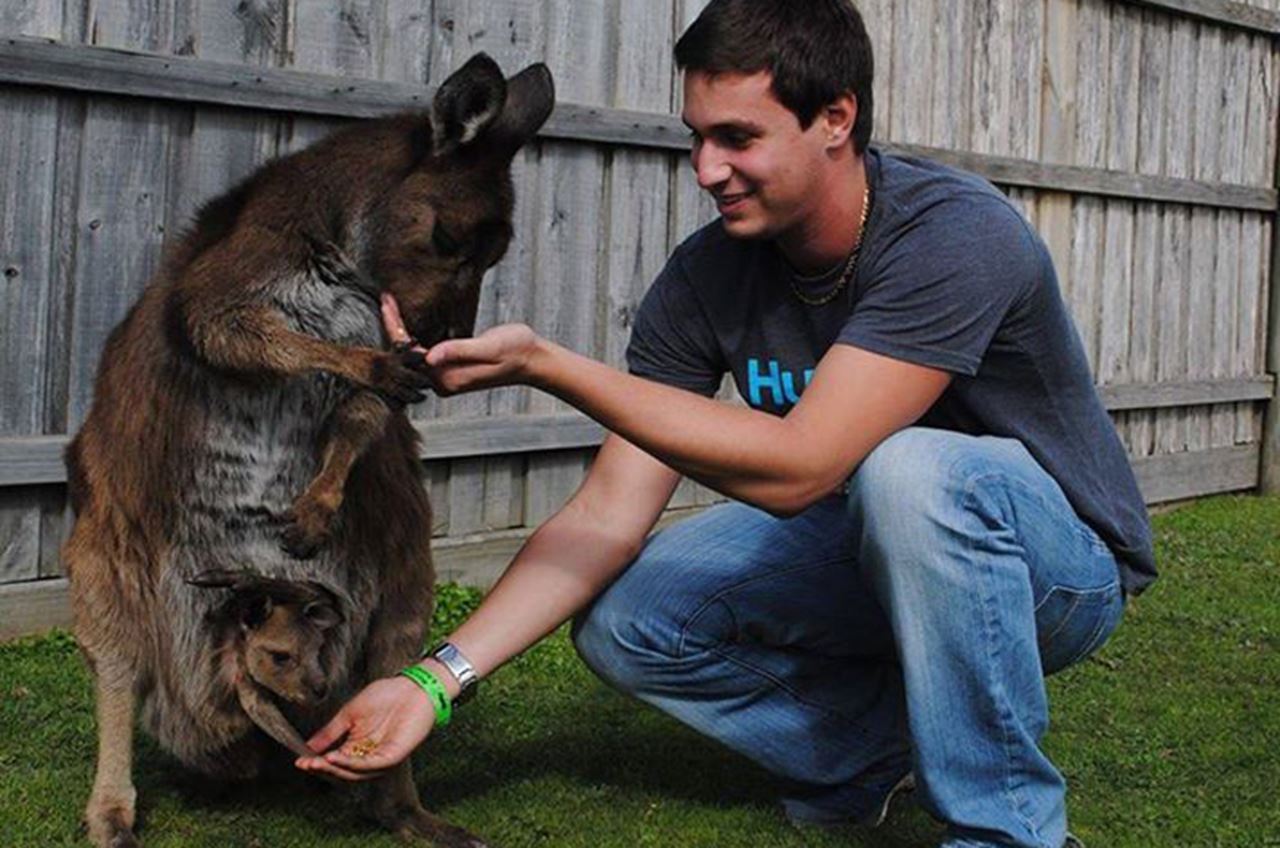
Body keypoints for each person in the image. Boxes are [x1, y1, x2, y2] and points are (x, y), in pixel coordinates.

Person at [296, 2, 1155, 846]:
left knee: (913, 471)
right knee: (631, 615)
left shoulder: (954, 235)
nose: (706, 169)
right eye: (696, 137)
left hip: (1057, 569)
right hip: (876, 538)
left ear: (834, 118)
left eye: (737, 138)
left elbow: (802, 467)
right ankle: (873, 752)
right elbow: (606, 514)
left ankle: (1009, 831)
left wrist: (548, 367)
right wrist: (431, 682)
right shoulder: (708, 275)